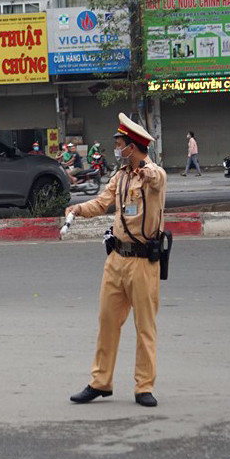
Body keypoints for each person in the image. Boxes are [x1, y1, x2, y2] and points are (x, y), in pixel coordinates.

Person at [65, 113, 168, 408]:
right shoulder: (120, 176)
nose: (117, 148)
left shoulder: (154, 175)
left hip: (143, 263)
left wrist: (145, 171)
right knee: (107, 322)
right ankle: (100, 382)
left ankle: (144, 386)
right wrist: (77, 209)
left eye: (121, 143)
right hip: (116, 259)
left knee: (145, 327)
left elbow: (156, 176)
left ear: (133, 146)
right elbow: (102, 202)